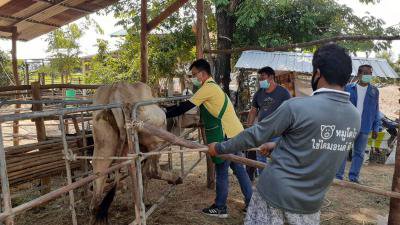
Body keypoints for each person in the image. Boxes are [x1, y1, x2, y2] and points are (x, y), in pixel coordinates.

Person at [207, 43, 360, 225]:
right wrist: (277, 145)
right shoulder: (354, 117)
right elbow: (315, 144)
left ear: (317, 73)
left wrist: (220, 147)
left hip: (274, 197)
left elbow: (255, 135)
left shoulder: (297, 106)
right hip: (309, 206)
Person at [165, 59, 252, 218]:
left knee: (221, 170)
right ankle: (252, 203)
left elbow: (186, 107)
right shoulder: (213, 87)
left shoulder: (208, 88)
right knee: (240, 170)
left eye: (194, 75)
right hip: (234, 132)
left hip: (224, 134)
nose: (193, 78)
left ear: (202, 73)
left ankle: (220, 207)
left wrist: (164, 114)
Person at [336, 64, 380, 183]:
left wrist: (377, 127)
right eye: (366, 73)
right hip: (348, 125)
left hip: (365, 126)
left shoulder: (374, 91)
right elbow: (340, 106)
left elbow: (376, 110)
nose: (368, 76)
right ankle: (338, 176)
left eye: (370, 74)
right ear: (359, 74)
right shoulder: (348, 88)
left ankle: (353, 177)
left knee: (359, 153)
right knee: (343, 150)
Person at [245, 66, 291, 181]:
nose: (261, 80)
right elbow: (253, 111)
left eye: (263, 77)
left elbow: (291, 110)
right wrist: (249, 128)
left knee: (278, 158)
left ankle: (279, 181)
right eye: (260, 77)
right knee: (261, 158)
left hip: (278, 133)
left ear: (271, 77)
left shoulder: (283, 92)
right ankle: (263, 181)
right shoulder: (259, 93)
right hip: (262, 132)